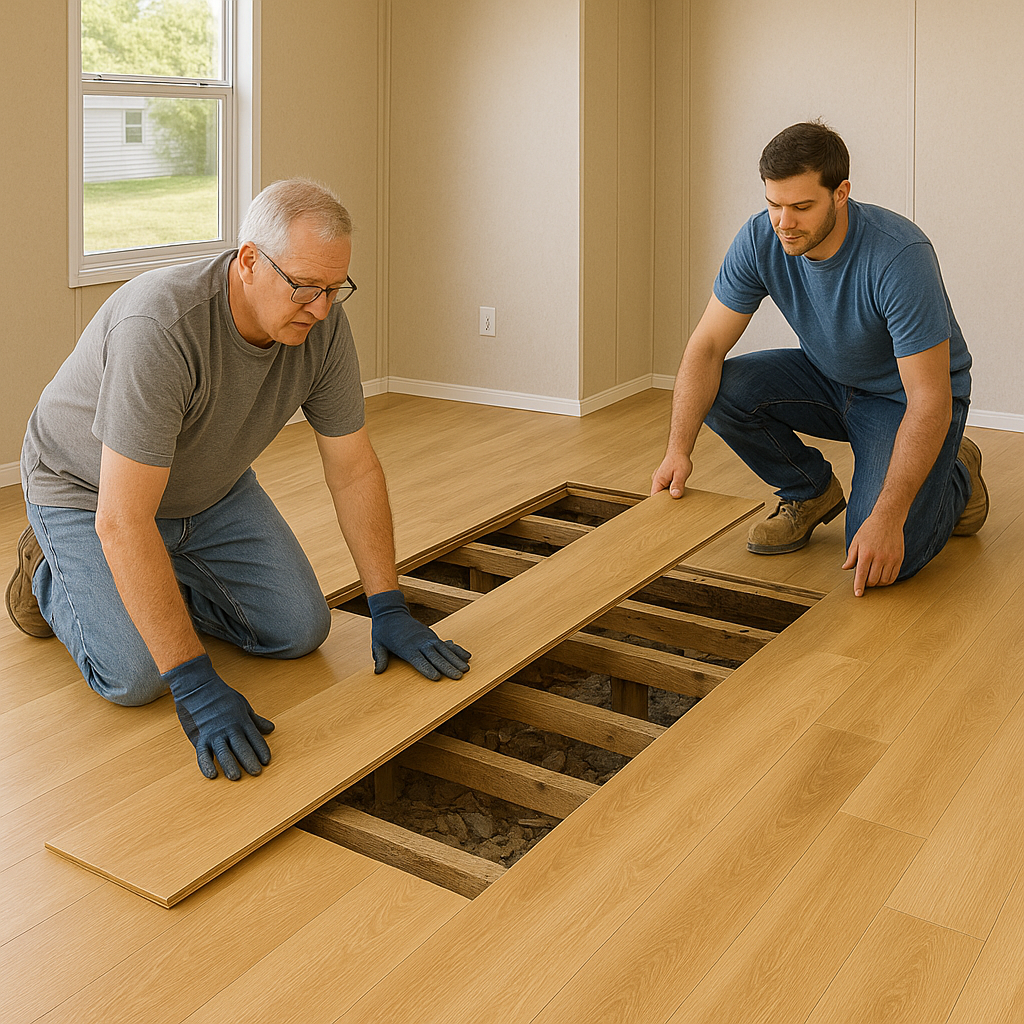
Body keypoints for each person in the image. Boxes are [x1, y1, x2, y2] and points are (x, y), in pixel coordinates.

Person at [6, 178, 470, 781]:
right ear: (248, 261)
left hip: (209, 485)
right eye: (305, 287)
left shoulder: (321, 326)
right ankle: (46, 570)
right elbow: (123, 519)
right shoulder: (161, 327)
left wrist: (387, 604)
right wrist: (194, 681)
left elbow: (352, 469)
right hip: (89, 491)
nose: (322, 308)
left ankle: (153, 573)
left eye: (335, 288)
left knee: (299, 629)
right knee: (138, 677)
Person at [651, 120, 988, 597]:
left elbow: (930, 399)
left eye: (802, 206)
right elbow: (705, 347)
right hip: (828, 378)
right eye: (774, 204)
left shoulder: (899, 256)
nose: (784, 222)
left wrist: (888, 518)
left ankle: (956, 473)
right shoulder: (760, 239)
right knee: (724, 388)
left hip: (903, 400)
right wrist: (677, 451)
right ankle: (810, 492)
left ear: (841, 193)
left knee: (886, 558)